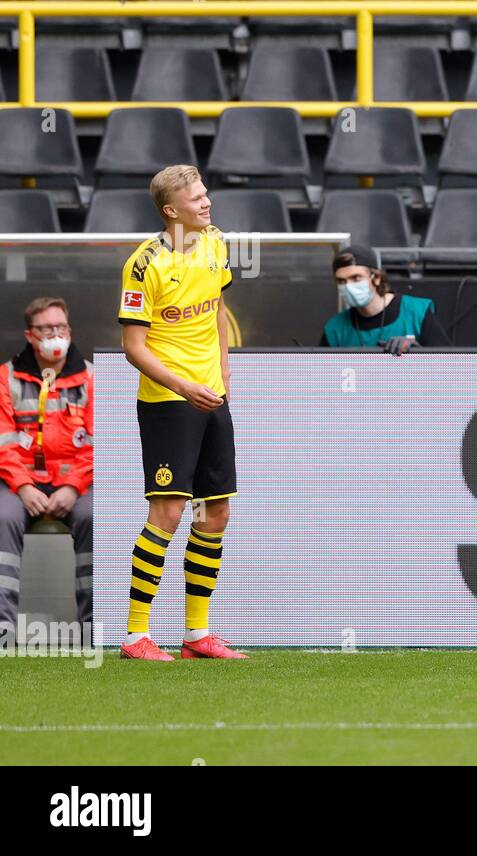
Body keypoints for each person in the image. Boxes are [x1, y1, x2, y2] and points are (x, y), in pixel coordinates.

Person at [117, 164, 245, 661]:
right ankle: (135, 636)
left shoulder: (214, 242)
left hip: (212, 395)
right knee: (168, 512)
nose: (206, 203)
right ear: (171, 210)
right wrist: (183, 385)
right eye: (196, 199)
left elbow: (215, 311)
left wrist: (223, 373)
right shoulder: (143, 265)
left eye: (206, 194)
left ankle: (196, 634)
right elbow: (134, 347)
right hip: (169, 401)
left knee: (216, 513)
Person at [0, 298, 94, 640]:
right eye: (47, 328)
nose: (56, 334)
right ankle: (2, 630)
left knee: (95, 517)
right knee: (2, 517)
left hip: (77, 486)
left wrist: (73, 485)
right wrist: (23, 486)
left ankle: (92, 630)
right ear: (30, 335)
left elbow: (100, 444)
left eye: (62, 327)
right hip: (17, 485)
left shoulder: (92, 378)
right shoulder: (5, 378)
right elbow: (3, 442)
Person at [320, 244, 450, 353]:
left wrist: (418, 354)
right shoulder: (334, 330)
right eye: (341, 281)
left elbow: (452, 371)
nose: (348, 286)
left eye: (356, 278)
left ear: (376, 278)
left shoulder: (417, 313)